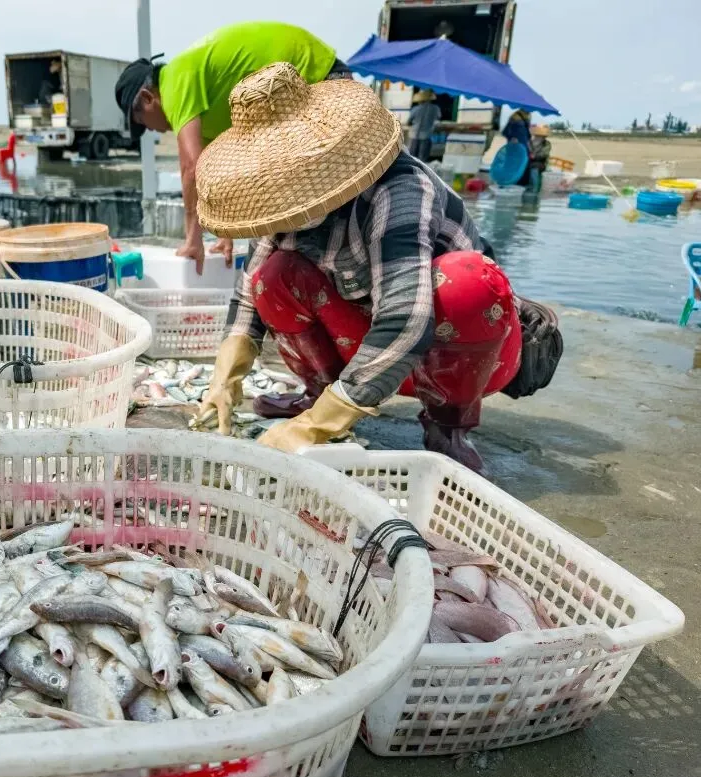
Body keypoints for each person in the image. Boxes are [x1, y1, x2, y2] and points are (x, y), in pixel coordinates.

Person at [193, 64, 559, 474]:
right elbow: (249, 294)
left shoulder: (400, 189)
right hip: (369, 347)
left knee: (465, 281)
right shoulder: (279, 202)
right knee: (273, 276)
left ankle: (447, 425)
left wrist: (315, 429)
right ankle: (320, 393)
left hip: (453, 350)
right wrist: (224, 380)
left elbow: (406, 317)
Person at [114, 21, 349, 275]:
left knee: (324, 213)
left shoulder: (175, 83)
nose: (149, 130)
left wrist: (193, 239)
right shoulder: (202, 108)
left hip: (318, 76)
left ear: (149, 98)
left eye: (142, 121)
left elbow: (192, 168)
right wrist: (224, 231)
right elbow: (226, 170)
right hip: (313, 81)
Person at [408, 89, 440, 163]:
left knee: (411, 157)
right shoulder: (435, 108)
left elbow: (409, 122)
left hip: (414, 135)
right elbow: (437, 119)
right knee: (422, 159)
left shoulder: (416, 109)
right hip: (426, 135)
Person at [528, 124, 552, 192]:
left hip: (540, 163)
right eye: (537, 135)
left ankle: (535, 188)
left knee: (534, 167)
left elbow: (544, 154)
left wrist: (535, 156)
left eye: (541, 136)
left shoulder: (547, 144)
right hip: (528, 161)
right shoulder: (529, 142)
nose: (538, 137)